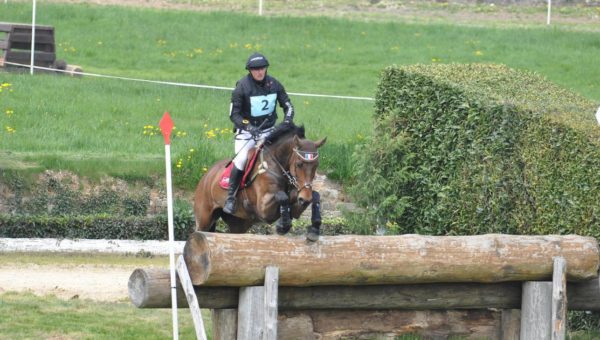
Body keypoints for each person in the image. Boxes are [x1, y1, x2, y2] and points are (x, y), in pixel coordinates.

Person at [223, 52, 295, 214]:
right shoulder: (241, 87)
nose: (259, 72)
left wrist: (287, 121)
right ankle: (231, 197)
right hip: (247, 133)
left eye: (262, 68)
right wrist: (248, 127)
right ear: (250, 70)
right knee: (241, 160)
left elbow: (288, 106)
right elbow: (234, 115)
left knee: (284, 155)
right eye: (255, 69)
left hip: (269, 131)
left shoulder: (275, 85)